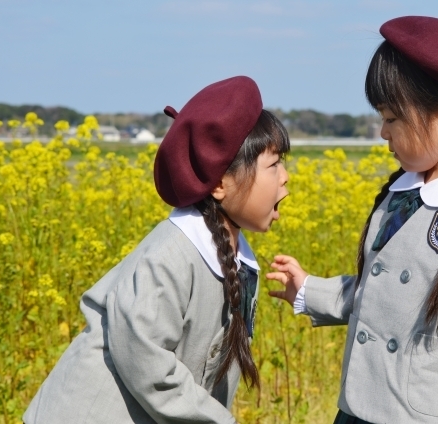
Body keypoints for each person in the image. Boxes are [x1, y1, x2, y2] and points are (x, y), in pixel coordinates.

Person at [268, 16, 438, 423]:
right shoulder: (404, 191)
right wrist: (310, 291)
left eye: (392, 117)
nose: (382, 132)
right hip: (356, 410)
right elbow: (384, 295)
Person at [23, 76, 290, 424]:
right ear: (221, 184)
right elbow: (147, 364)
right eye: (273, 165)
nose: (285, 177)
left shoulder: (232, 254)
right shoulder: (170, 257)